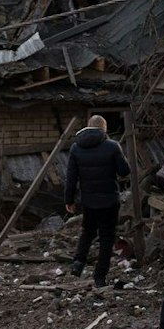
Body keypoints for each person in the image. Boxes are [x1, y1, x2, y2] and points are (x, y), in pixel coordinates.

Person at [63, 114, 130, 286]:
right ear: (104, 128)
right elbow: (124, 171)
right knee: (107, 239)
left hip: (88, 201)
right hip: (109, 201)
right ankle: (99, 277)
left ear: (88, 126)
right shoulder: (112, 146)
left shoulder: (76, 148)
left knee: (87, 232)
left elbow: (71, 178)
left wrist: (69, 200)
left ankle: (78, 263)